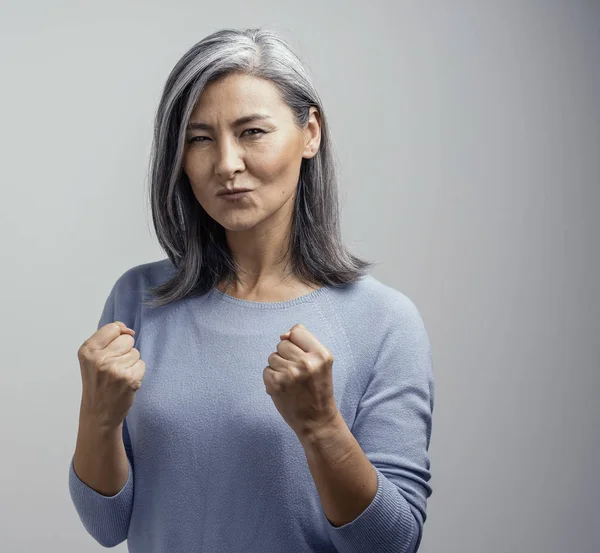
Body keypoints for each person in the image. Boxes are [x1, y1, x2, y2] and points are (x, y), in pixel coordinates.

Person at [68, 27, 434, 553]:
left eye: (253, 132)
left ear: (310, 133)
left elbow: (392, 544)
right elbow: (107, 525)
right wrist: (97, 418)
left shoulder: (385, 321)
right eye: (199, 138)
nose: (226, 164)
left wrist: (323, 428)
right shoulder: (140, 299)